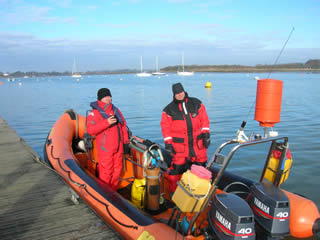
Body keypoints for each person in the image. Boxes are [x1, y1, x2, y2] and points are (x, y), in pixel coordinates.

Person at [160, 82, 211, 193]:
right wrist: (168, 144)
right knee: (176, 171)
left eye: (181, 92)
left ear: (184, 91)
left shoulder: (196, 103)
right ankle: (174, 195)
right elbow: (165, 127)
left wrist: (206, 134)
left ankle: (199, 193)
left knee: (201, 169)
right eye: (177, 93)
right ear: (174, 94)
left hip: (198, 145)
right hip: (179, 147)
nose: (180, 95)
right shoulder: (168, 110)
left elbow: (204, 120)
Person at [86, 88, 129, 190]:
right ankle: (105, 193)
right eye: (106, 97)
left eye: (109, 96)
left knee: (117, 170)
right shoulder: (94, 113)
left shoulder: (115, 110)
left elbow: (123, 126)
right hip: (105, 148)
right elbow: (91, 130)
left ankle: (113, 192)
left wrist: (126, 142)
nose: (108, 98)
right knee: (106, 171)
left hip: (118, 147)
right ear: (100, 99)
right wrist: (106, 123)